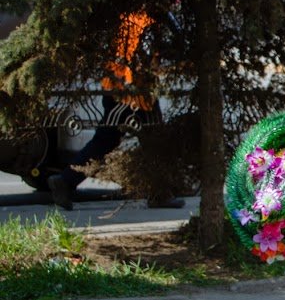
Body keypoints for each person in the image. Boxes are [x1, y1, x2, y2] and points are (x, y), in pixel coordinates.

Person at [47, 11, 184, 210]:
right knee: (149, 138)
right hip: (132, 90)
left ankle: (65, 181)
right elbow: (159, 52)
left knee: (110, 138)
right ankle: (159, 194)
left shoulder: (128, 16)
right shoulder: (146, 19)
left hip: (122, 87)